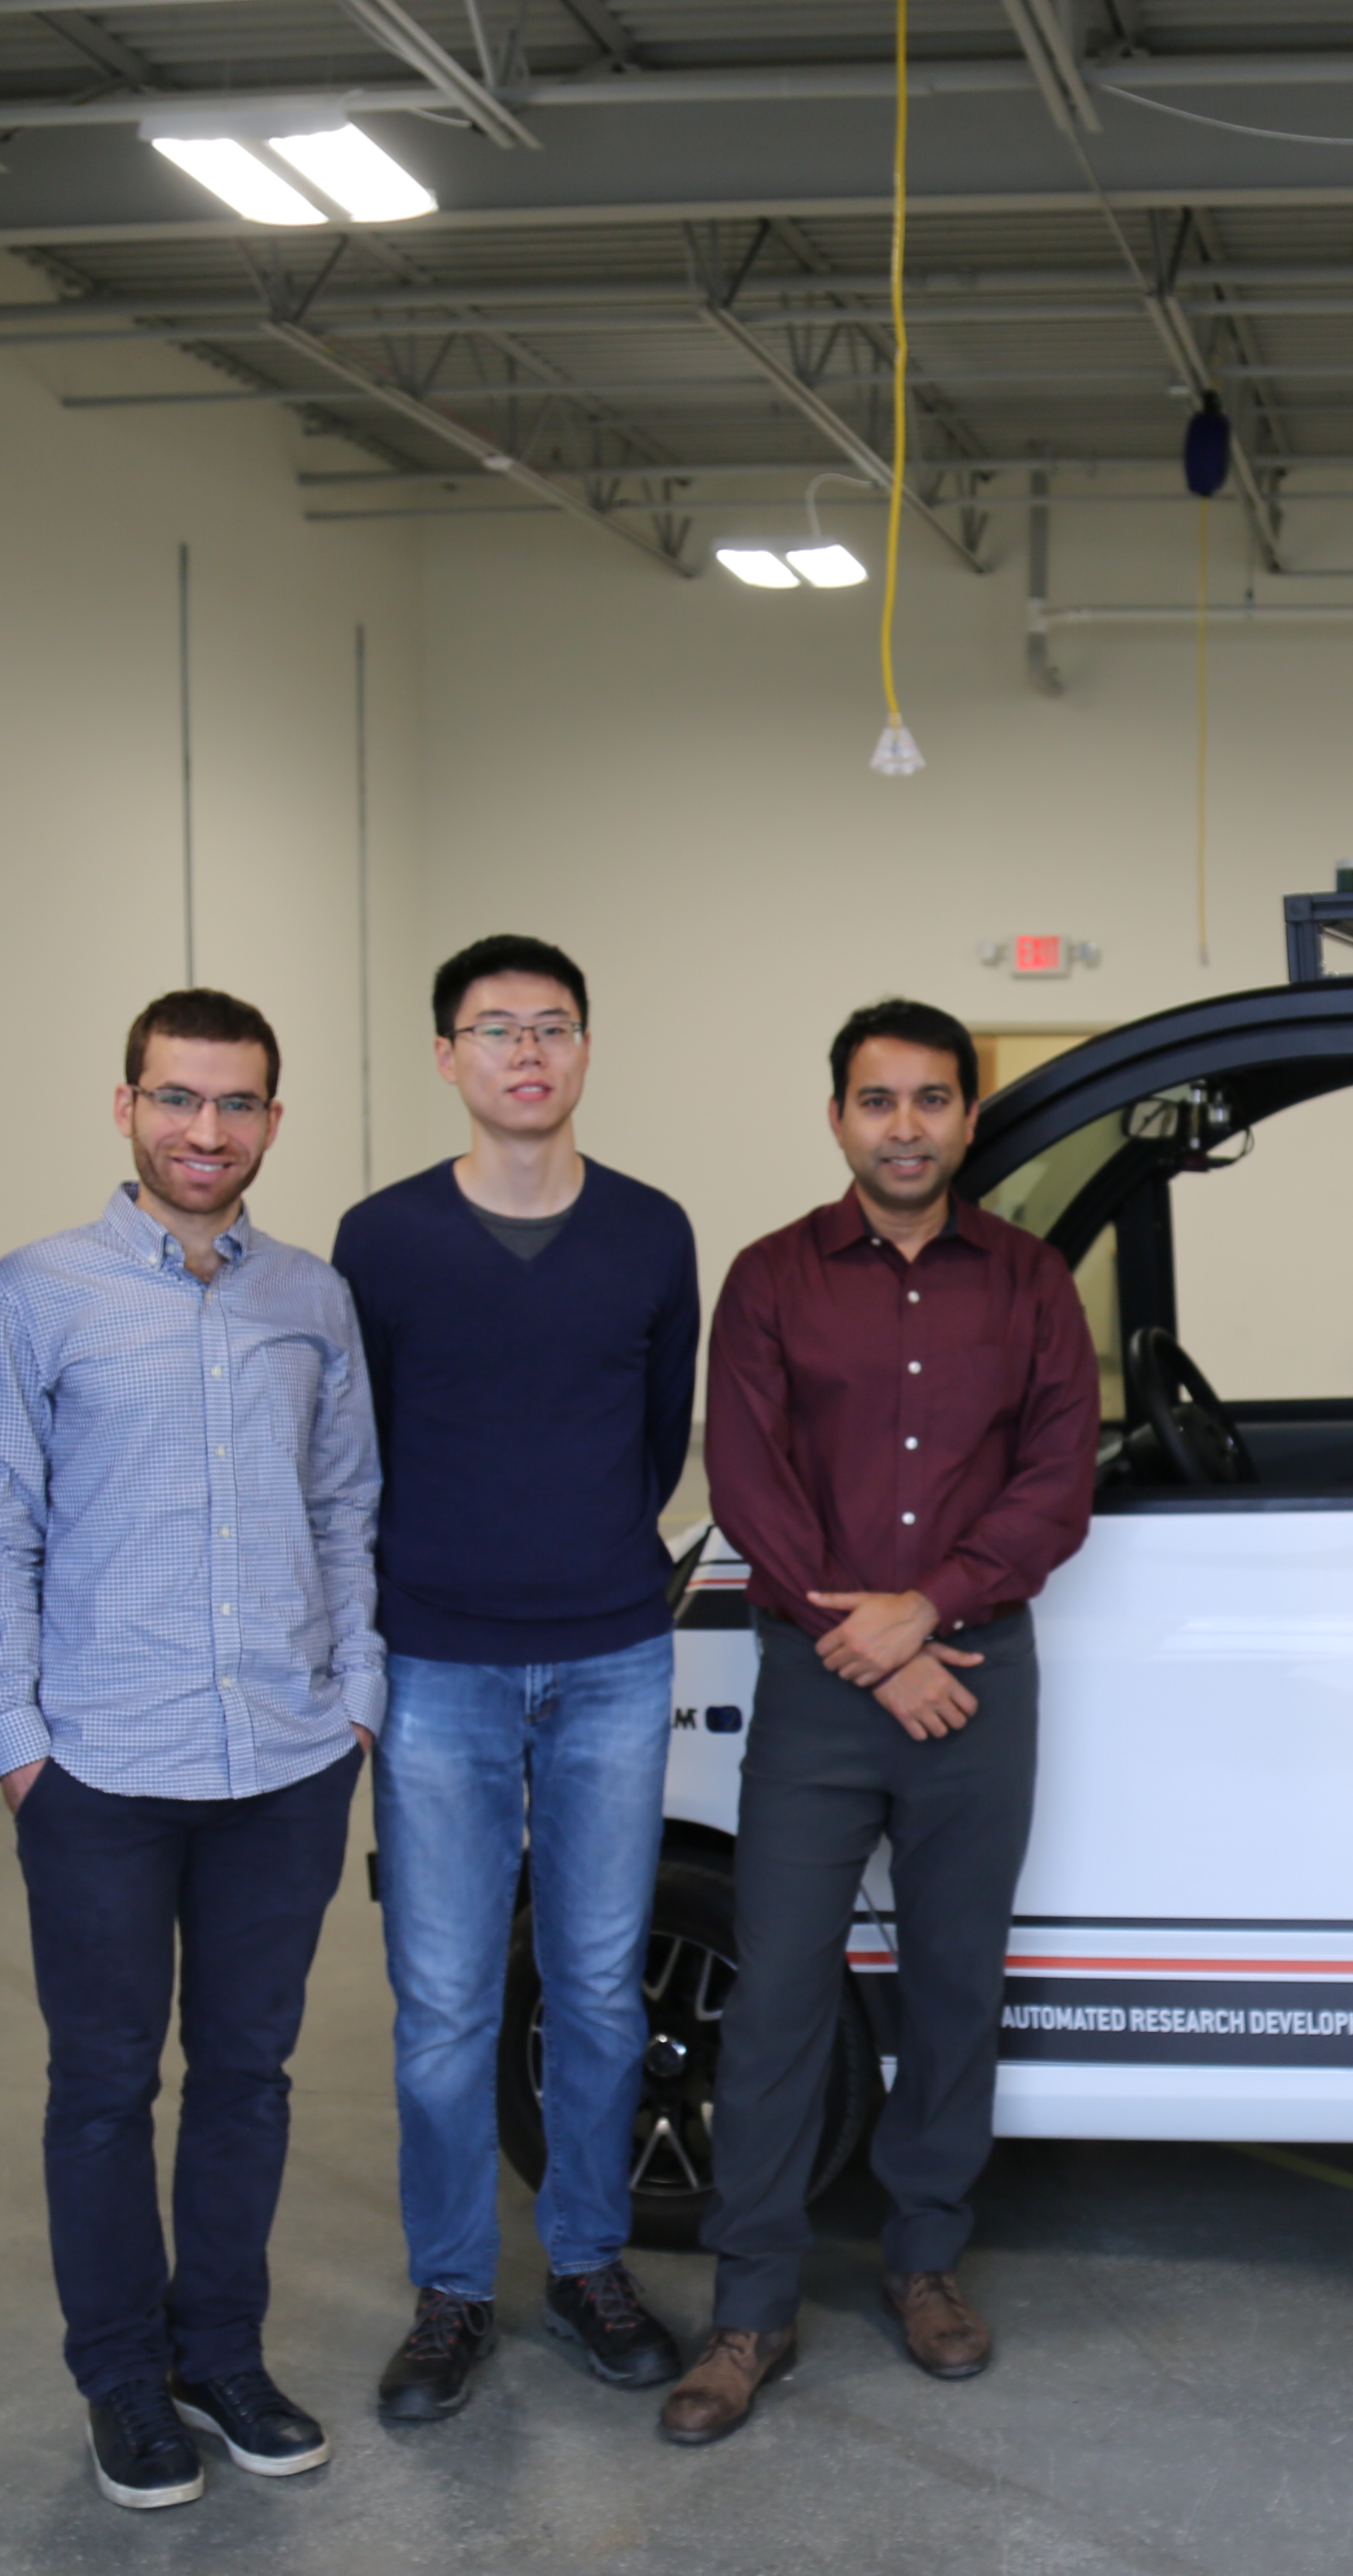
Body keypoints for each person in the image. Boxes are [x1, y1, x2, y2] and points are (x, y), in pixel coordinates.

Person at [0, 990, 383, 2510]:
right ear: (127, 1105)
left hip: (284, 1760)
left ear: (275, 1119)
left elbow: (348, 1509)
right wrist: (18, 1742)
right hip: (100, 1770)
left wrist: (357, 1702)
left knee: (251, 2074)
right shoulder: (35, 1295)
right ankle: (124, 2383)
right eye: (178, 1099)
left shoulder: (313, 1300)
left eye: (238, 1104)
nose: (206, 1132)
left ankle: (223, 2354)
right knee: (101, 2082)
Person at [662, 1000, 1098, 2446]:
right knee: (780, 1993)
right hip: (820, 1690)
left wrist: (932, 1611)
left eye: (931, 1100)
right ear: (838, 1116)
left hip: (977, 1679)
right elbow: (748, 1478)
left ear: (970, 1118)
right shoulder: (774, 1279)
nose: (904, 1126)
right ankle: (751, 2309)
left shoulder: (1032, 1282)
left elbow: (1055, 1481)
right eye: (877, 1101)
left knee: (956, 1981)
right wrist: (872, 1639)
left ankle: (924, 2264)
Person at [333, 937, 702, 2424]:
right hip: (438, 1662)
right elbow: (355, 1447)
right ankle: (451, 2293)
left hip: (614, 1650)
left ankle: (589, 2264)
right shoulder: (384, 1239)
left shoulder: (653, 1232)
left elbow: (657, 1434)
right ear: (448, 1058)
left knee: (603, 1990)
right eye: (495, 1031)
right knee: (442, 2003)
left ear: (587, 1049)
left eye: (553, 1028)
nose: (526, 1054)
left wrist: (577, 1559)